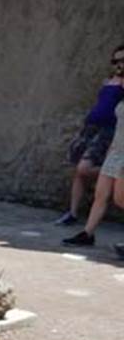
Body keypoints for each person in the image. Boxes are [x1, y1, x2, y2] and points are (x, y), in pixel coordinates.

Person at [55, 46, 124, 227]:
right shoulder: (108, 81)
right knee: (77, 171)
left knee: (83, 168)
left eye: (122, 60)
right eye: (115, 61)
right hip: (91, 126)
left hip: (108, 130)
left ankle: (113, 174)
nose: (119, 64)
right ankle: (73, 212)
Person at [63, 98, 124, 252]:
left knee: (120, 198)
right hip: (115, 152)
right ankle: (87, 234)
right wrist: (110, 151)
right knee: (100, 194)